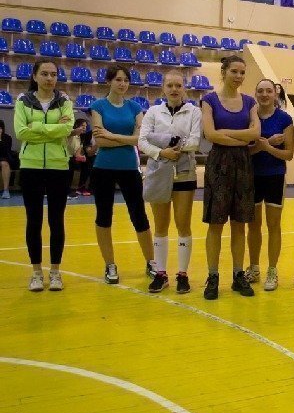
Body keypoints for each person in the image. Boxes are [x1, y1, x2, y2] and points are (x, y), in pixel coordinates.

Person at [200, 56, 260, 300]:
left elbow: (256, 133)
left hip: (243, 165)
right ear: (223, 72)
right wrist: (241, 139)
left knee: (239, 223)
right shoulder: (209, 100)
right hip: (218, 164)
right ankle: (213, 276)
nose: (239, 76)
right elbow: (210, 134)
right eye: (234, 71)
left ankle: (237, 275)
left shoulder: (250, 102)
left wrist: (225, 133)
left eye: (242, 72)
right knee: (215, 224)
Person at [90, 65, 155, 284]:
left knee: (139, 215)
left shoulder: (135, 107)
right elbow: (100, 141)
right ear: (108, 81)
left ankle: (151, 262)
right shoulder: (98, 106)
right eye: (118, 79)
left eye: (126, 80)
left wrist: (111, 135)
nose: (122, 84)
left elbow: (140, 140)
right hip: (103, 168)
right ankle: (110, 264)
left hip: (129, 168)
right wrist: (125, 139)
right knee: (104, 216)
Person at [139, 71, 202, 294]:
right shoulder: (153, 112)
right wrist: (162, 152)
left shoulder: (194, 111)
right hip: (159, 173)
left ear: (184, 88)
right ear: (163, 88)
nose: (174, 89)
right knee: (160, 226)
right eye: (170, 85)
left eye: (178, 85)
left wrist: (172, 146)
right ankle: (161, 274)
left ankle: (182, 274)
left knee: (183, 225)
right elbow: (143, 141)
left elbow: (195, 141)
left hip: (185, 174)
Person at [13, 60, 74, 291]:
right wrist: (53, 128)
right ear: (35, 76)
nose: (49, 78)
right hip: (31, 166)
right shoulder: (23, 101)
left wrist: (36, 127)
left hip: (59, 167)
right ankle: (36, 272)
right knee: (34, 220)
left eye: (53, 74)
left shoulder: (65, 101)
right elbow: (21, 132)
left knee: (56, 220)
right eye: (45, 74)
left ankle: (55, 272)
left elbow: (67, 129)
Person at [246, 79, 294, 291]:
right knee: (253, 225)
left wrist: (267, 147)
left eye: (268, 91)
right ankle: (254, 268)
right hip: (252, 177)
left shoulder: (285, 119)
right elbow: (245, 151)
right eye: (260, 91)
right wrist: (265, 145)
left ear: (275, 94)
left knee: (273, 225)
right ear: (255, 93)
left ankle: (272, 271)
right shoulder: (250, 117)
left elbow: (289, 154)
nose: (264, 94)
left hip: (275, 176)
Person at [67, 118, 89, 199]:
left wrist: (81, 157)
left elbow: (77, 153)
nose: (84, 128)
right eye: (82, 126)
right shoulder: (71, 133)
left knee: (78, 168)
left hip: (72, 158)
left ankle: (73, 190)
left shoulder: (81, 138)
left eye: (85, 126)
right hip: (65, 157)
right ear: (76, 125)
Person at [0, 119, 15, 199]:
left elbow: (6, 151)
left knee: (4, 164)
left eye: (0, 128)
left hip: (3, 158)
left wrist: (0, 139)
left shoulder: (7, 138)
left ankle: (6, 190)